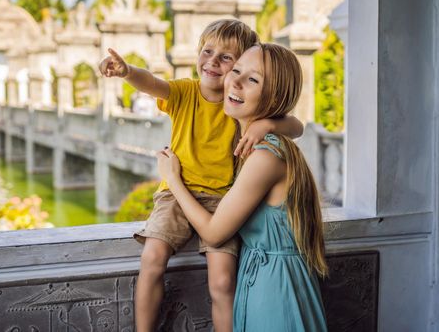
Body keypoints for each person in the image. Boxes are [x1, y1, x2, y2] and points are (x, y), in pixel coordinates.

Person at [99, 19, 304, 332]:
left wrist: (268, 125)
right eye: (207, 51)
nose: (213, 61)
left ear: (240, 68)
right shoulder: (183, 92)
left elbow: (297, 126)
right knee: (152, 259)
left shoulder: (238, 102)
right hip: (176, 194)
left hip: (223, 200)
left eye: (226, 58)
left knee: (222, 282)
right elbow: (151, 82)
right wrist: (128, 72)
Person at [157, 43, 328, 331]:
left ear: (274, 95)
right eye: (236, 70)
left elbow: (213, 233)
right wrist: (270, 124)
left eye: (252, 79)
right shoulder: (256, 139)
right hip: (262, 278)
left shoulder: (265, 156)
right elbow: (295, 126)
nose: (233, 81)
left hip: (276, 289)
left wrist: (172, 179)